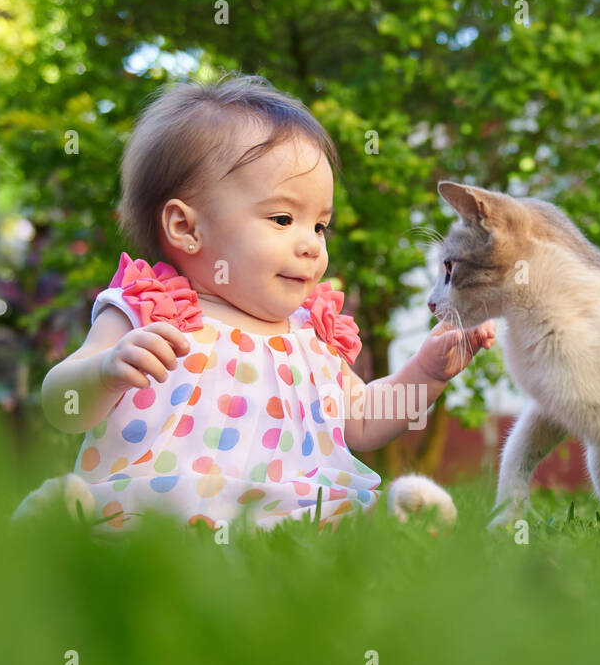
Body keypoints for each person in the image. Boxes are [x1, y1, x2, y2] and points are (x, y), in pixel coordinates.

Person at [37, 74, 494, 532]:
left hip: (290, 512)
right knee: (119, 520)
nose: (312, 245)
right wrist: (104, 373)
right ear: (186, 228)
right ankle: (66, 515)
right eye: (282, 218)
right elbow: (64, 406)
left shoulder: (311, 334)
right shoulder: (149, 310)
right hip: (163, 502)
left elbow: (361, 421)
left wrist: (427, 375)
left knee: (344, 516)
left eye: (320, 226)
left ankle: (395, 521)